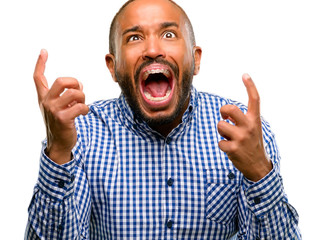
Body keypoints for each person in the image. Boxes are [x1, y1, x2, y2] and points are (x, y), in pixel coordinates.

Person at [25, 0, 301, 239]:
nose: (153, 50)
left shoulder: (243, 132)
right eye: (134, 37)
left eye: (169, 34)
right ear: (113, 66)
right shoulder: (80, 134)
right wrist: (58, 152)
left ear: (195, 59)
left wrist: (259, 172)